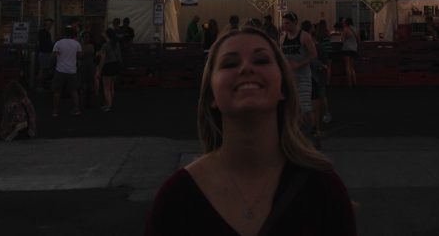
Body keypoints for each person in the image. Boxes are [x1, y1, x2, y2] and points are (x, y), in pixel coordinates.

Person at [144, 27, 357, 236]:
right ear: (211, 97)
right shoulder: (176, 198)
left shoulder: (324, 191)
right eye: (230, 63)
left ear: (283, 88)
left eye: (261, 60)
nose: (246, 68)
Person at [280, 12, 318, 136]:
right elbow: (280, 55)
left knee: (304, 106)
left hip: (303, 77)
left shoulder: (304, 36)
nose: (285, 26)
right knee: (291, 105)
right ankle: (296, 131)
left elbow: (313, 54)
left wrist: (299, 64)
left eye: (288, 23)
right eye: (284, 23)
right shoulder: (283, 37)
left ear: (295, 22)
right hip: (289, 77)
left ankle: (312, 130)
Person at [51, 26, 83, 117]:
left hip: (60, 70)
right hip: (72, 70)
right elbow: (80, 56)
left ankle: (55, 111)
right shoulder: (77, 44)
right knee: (74, 91)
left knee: (57, 91)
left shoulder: (58, 43)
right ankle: (76, 109)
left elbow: (52, 56)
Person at [96, 28, 122, 112]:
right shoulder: (116, 44)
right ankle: (111, 103)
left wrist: (99, 70)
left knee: (106, 87)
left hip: (108, 66)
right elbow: (118, 55)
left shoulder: (105, 45)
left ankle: (108, 105)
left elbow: (103, 59)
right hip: (115, 65)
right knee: (111, 86)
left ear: (107, 35)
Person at [36, 18, 54, 88]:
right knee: (42, 69)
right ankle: (39, 86)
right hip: (44, 53)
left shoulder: (45, 32)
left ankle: (41, 85)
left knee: (43, 69)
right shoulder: (44, 32)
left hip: (44, 53)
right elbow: (46, 44)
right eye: (49, 25)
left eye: (51, 25)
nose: (50, 26)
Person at [340, 18, 359, 87]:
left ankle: (349, 83)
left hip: (347, 49)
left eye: (344, 22)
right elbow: (359, 39)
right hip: (354, 49)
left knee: (347, 66)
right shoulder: (355, 29)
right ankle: (355, 82)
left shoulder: (345, 29)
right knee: (352, 67)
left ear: (346, 23)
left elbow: (342, 40)